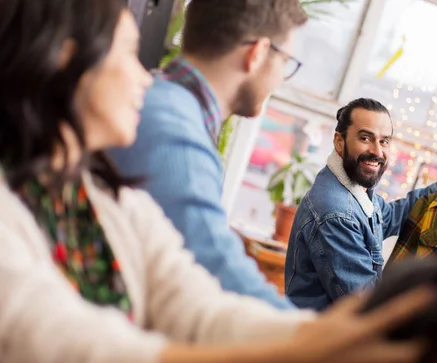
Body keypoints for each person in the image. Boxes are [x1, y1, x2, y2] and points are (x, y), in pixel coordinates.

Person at [0, 1, 437, 363]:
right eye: (127, 53)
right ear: (65, 58)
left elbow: (195, 302)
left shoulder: (106, 197)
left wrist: (314, 340)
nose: (145, 77)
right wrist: (300, 354)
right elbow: (74, 358)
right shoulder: (14, 213)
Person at [108, 0, 306, 309]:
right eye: (285, 61)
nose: (281, 78)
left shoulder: (164, 103)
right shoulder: (174, 131)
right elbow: (218, 275)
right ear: (257, 53)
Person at [285, 98, 437, 311]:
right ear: (339, 142)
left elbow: (390, 217)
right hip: (324, 341)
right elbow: (366, 304)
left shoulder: (354, 190)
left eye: (384, 141)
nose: (377, 151)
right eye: (365, 138)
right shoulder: (337, 213)